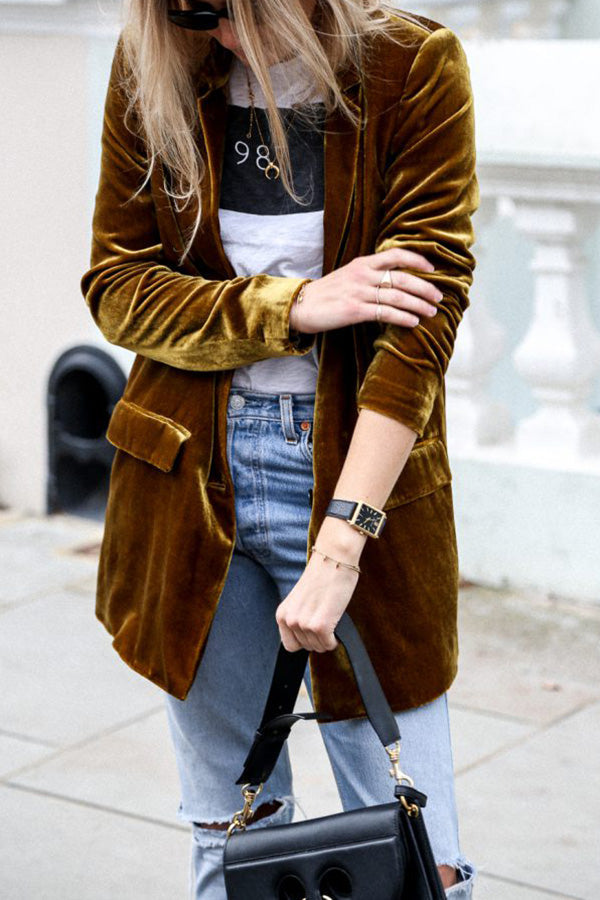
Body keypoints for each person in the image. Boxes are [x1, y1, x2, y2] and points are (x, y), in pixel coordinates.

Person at [80, 0, 480, 897]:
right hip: (188, 484)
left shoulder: (410, 66)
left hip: (357, 474)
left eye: (229, 7)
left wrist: (342, 542)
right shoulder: (160, 61)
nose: (213, 31)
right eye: (186, 9)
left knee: (420, 856)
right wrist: (291, 305)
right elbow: (118, 285)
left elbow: (419, 329)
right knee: (232, 837)